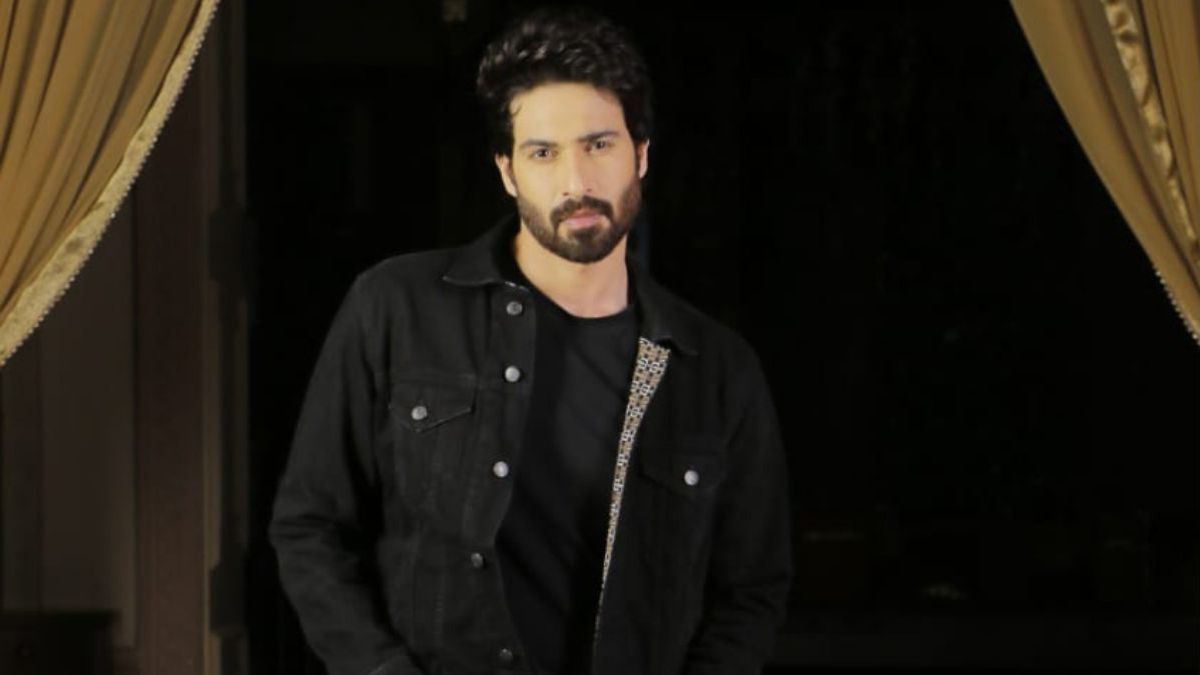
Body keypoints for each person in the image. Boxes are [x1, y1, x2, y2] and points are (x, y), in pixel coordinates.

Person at [270, 7, 791, 675]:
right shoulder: (395, 307)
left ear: (641, 154)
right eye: (543, 153)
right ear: (507, 171)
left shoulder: (713, 367)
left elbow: (750, 590)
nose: (577, 183)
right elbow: (310, 528)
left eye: (598, 145)